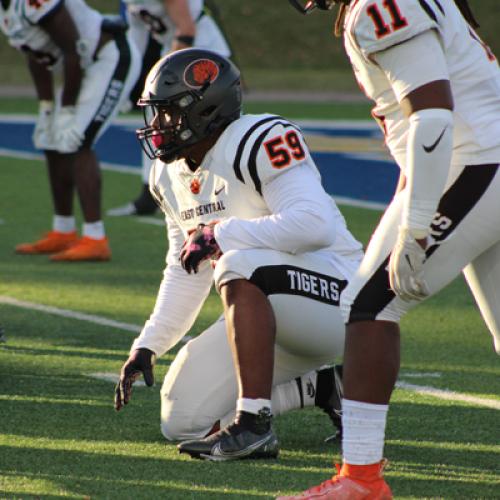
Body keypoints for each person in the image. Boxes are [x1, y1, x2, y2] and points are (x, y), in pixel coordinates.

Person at [281, 0, 500, 498]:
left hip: (477, 162)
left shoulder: (381, 6)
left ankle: (361, 479)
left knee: (369, 306)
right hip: (478, 157)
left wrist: (418, 223)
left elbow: (434, 115)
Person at [114, 48, 365, 460]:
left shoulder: (261, 138)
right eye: (156, 113)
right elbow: (186, 270)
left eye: (168, 113)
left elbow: (314, 225)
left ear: (205, 110)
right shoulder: (167, 174)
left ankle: (253, 427)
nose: (158, 126)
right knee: (182, 419)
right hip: (267, 312)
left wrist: (221, 233)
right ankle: (325, 386)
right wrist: (148, 346)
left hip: (338, 298)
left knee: (236, 261)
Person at [1, 0, 140, 262]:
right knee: (51, 140)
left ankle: (95, 238)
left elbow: (73, 50)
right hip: (83, 66)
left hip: (109, 56)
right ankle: (63, 231)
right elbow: (37, 55)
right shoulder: (6, 10)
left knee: (77, 139)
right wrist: (46, 107)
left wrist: (65, 109)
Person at [107, 0, 231, 217]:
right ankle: (151, 193)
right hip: (174, 54)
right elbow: (136, 39)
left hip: (203, 58)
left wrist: (171, 76)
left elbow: (186, 30)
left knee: (210, 128)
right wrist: (127, 78)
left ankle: (230, 190)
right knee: (157, 123)